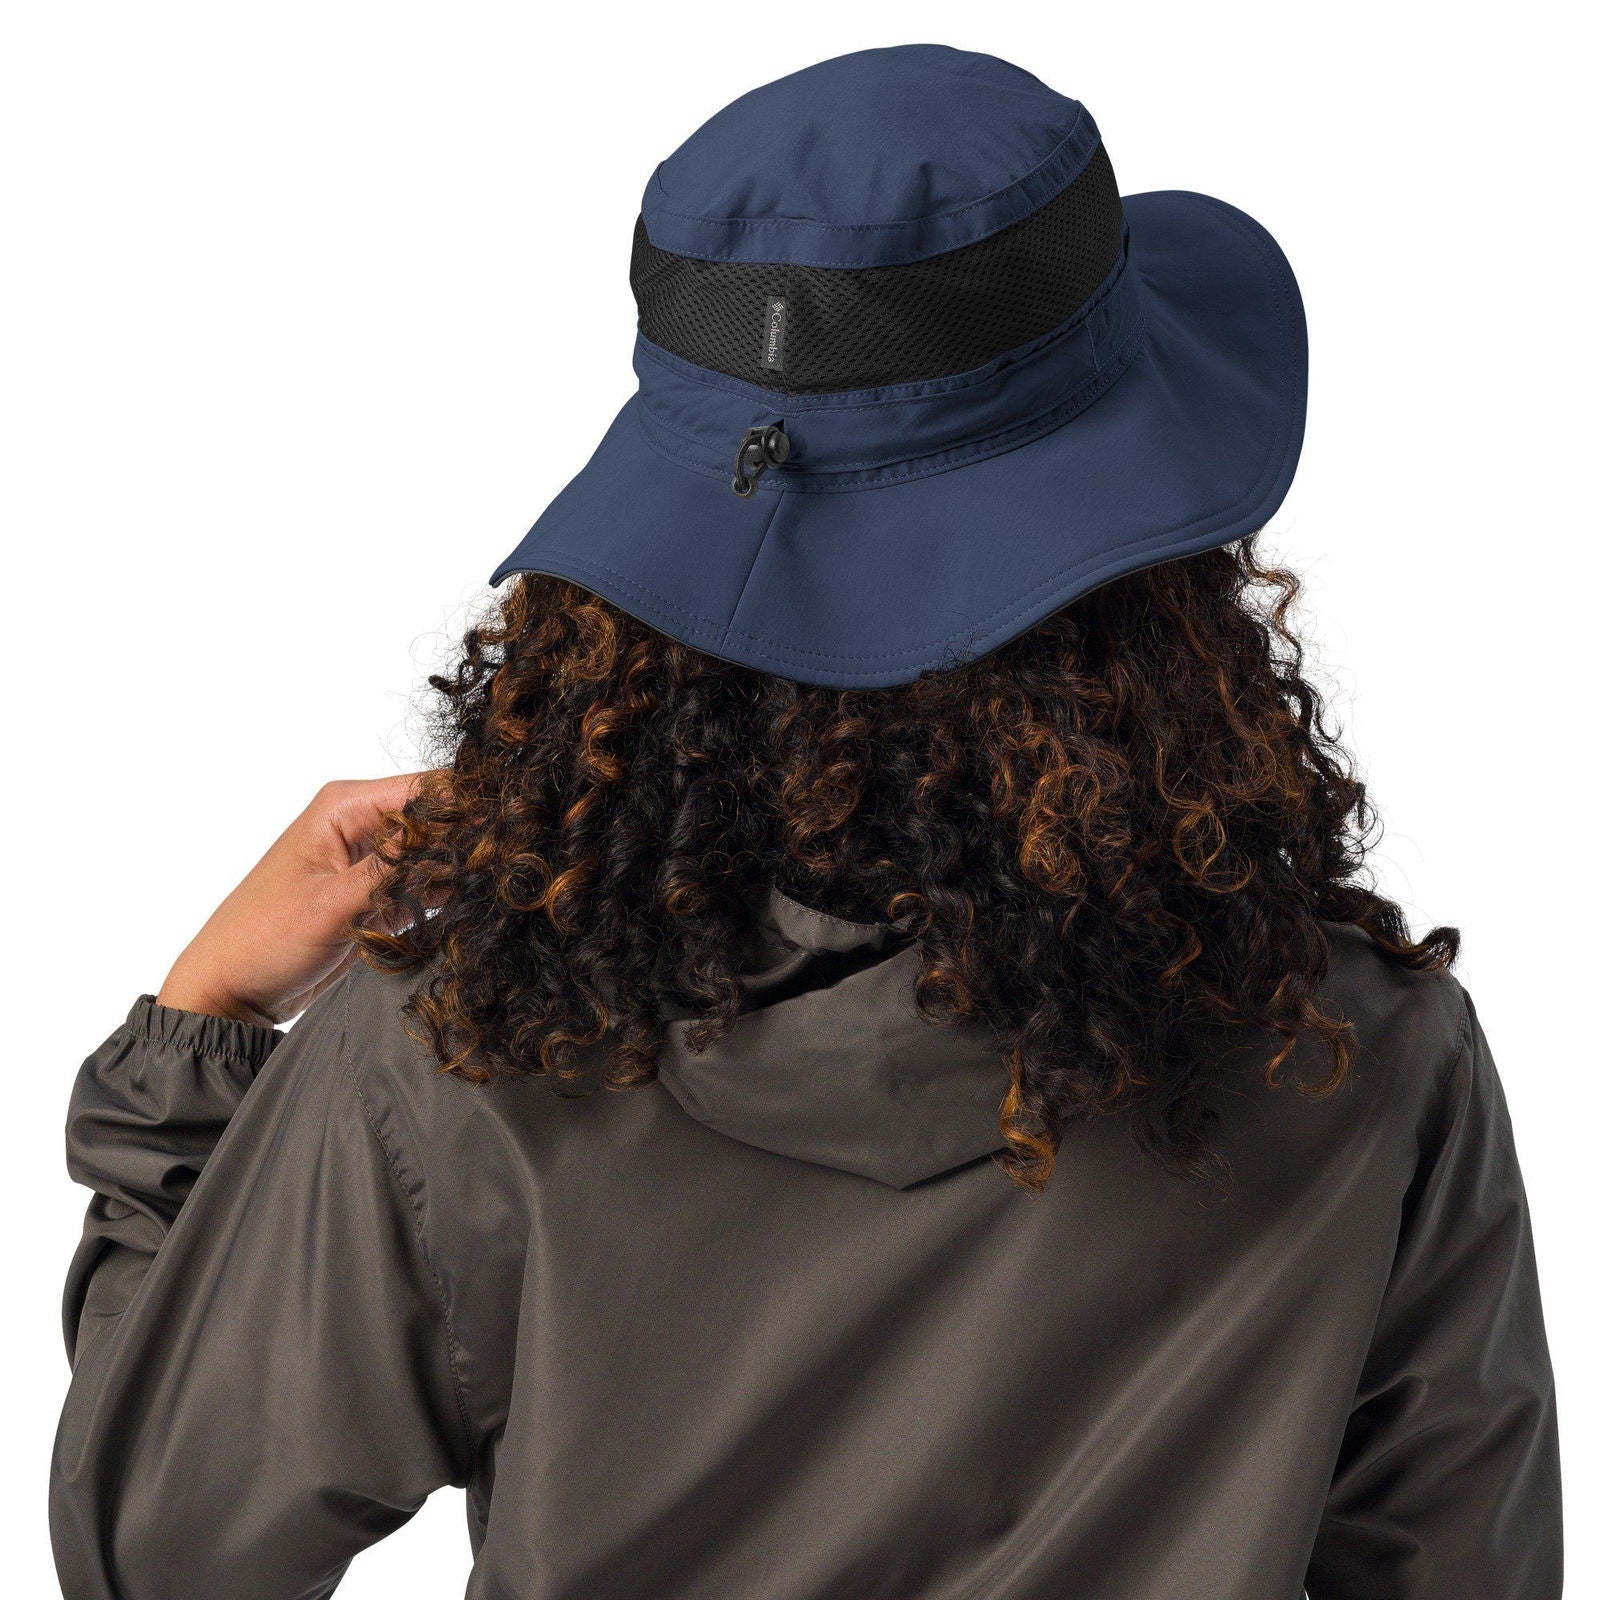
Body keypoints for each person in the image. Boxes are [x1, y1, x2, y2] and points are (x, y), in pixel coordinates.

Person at [51, 44, 1560, 1600]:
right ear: (1154, 554)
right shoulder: (1364, 1056)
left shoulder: (461, 1049)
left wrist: (200, 1037)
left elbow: (159, 1550)